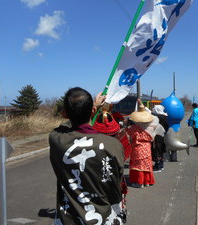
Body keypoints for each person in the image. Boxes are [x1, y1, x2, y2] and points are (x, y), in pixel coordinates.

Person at [49, 87, 125, 225]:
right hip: (104, 218)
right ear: (93, 111)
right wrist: (93, 107)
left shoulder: (57, 139)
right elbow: (116, 186)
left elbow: (64, 126)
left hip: (68, 220)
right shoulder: (113, 145)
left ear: (65, 113)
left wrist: (91, 107)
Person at [124, 100, 164, 188]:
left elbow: (126, 133)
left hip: (137, 148)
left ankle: (139, 182)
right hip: (147, 147)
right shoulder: (151, 127)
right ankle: (147, 181)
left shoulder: (133, 128)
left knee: (138, 165)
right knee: (146, 164)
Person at [151, 105, 168, 171]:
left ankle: (158, 166)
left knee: (156, 150)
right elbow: (167, 127)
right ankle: (161, 165)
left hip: (156, 136)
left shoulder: (156, 118)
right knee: (161, 150)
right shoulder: (164, 117)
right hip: (162, 135)